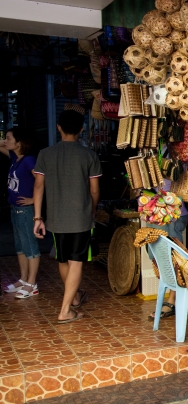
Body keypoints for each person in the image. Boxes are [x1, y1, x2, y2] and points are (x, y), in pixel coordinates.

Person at [33, 110, 102, 324]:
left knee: (63, 259)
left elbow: (38, 186)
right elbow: (94, 190)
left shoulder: (45, 154)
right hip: (80, 218)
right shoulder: (88, 155)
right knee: (77, 262)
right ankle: (65, 310)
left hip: (55, 218)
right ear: (82, 129)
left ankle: (73, 300)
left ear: (58, 127)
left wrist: (38, 218)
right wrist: (91, 210)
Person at [1, 127, 41, 298]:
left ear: (19, 143)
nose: (5, 140)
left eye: (9, 138)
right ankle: (23, 279)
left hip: (26, 211)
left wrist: (33, 199)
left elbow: (41, 179)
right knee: (20, 246)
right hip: (15, 208)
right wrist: (5, 141)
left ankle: (32, 284)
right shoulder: (15, 157)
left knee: (30, 246)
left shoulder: (29, 160)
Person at [147, 178, 188, 320]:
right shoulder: (152, 155)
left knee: (172, 256)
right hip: (155, 212)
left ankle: (172, 300)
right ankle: (171, 295)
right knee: (157, 255)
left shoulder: (176, 157)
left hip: (173, 214)